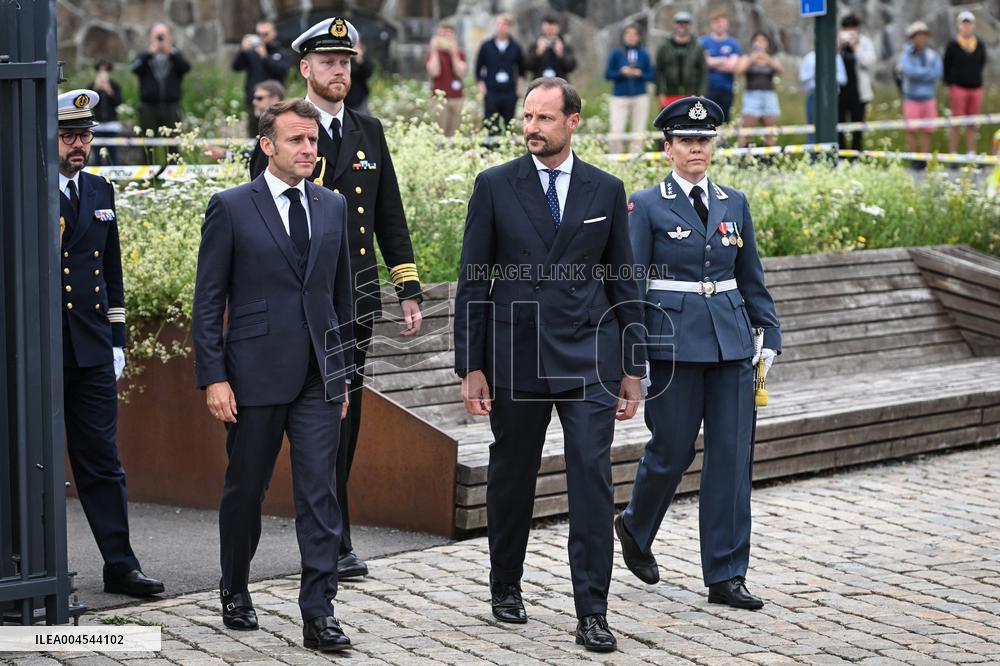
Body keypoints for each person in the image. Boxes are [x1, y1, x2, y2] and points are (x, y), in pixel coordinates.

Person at [453, 77, 646, 653]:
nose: (532, 127)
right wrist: (471, 365)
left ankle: (592, 610)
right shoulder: (494, 186)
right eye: (527, 117)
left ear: (573, 122)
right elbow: (473, 282)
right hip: (516, 356)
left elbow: (623, 279)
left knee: (591, 477)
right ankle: (505, 584)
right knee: (513, 474)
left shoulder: (605, 189)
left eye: (544, 118)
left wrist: (633, 367)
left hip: (591, 355)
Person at [249, 17, 423, 582]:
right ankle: (265, 541)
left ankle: (336, 535)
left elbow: (388, 214)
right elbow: (259, 219)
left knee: (343, 422)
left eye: (345, 61)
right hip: (299, 306)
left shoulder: (369, 132)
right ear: (305, 68)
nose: (338, 70)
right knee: (293, 423)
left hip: (355, 302)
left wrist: (407, 286)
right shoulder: (285, 131)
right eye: (327, 62)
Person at [192, 98, 355, 651]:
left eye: (312, 141)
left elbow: (340, 298)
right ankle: (234, 586)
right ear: (268, 145)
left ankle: (319, 613)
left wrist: (342, 376)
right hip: (252, 376)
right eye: (296, 141)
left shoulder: (332, 206)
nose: (309, 149)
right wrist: (214, 377)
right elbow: (208, 300)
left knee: (320, 494)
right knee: (246, 490)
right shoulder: (232, 207)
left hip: (317, 376)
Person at [616, 96, 781, 611]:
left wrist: (768, 333)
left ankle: (726, 574)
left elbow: (750, 274)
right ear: (667, 147)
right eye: (687, 141)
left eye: (705, 141)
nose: (697, 149)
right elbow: (632, 283)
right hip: (674, 345)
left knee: (732, 457)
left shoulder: (734, 202)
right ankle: (635, 525)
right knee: (672, 451)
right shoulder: (645, 205)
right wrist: (634, 354)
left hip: (731, 341)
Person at [56, 89, 165, 599]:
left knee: (102, 458)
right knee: (34, 458)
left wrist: (117, 339)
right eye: (68, 136)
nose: (79, 144)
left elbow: (111, 274)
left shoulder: (99, 191)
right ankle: (32, 564)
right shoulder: (26, 188)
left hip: (93, 347)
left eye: (85, 135)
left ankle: (120, 564)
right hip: (43, 349)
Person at [232, 19, 291, 137]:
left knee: (275, 135)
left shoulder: (280, 52)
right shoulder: (252, 52)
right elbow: (236, 67)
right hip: (255, 101)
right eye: (259, 34)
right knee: (255, 137)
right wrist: (243, 50)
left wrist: (265, 57)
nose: (262, 37)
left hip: (274, 102)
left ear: (274, 33)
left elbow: (282, 71)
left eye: (265, 34)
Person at [131, 23, 191, 134]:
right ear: (151, 37)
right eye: (157, 35)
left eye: (163, 35)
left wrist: (171, 52)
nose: (160, 38)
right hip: (149, 106)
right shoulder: (144, 55)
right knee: (148, 141)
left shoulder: (175, 54)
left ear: (169, 37)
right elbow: (135, 68)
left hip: (171, 106)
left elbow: (186, 67)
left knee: (173, 140)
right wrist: (149, 53)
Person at [605, 24, 653, 154]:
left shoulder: (644, 53)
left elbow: (651, 75)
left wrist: (640, 73)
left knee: (638, 131)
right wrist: (621, 72)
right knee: (616, 130)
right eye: (628, 34)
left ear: (639, 37)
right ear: (624, 36)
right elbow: (608, 74)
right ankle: (615, 160)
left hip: (640, 96)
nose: (631, 37)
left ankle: (635, 158)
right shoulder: (616, 53)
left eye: (634, 34)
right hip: (620, 96)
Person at [900, 21, 943, 166]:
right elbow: (908, 71)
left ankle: (924, 159)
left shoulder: (932, 55)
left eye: (923, 35)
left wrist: (919, 73)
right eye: (917, 36)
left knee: (927, 130)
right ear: (912, 37)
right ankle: (914, 159)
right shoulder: (906, 54)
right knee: (911, 130)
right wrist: (925, 73)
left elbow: (937, 73)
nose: (921, 39)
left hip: (928, 98)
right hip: (911, 98)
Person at [944, 11, 987, 154]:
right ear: (958, 25)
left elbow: (982, 63)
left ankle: (971, 153)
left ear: (973, 25)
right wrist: (951, 84)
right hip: (958, 87)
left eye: (969, 23)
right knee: (956, 122)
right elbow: (946, 65)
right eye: (964, 23)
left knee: (972, 123)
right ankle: (953, 154)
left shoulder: (979, 44)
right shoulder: (952, 44)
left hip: (976, 87)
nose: (966, 26)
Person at [475, 14, 525, 133]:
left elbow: (521, 70)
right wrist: (482, 87)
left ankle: (506, 147)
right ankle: (489, 150)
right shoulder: (486, 46)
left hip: (509, 91)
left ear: (510, 27)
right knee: (490, 123)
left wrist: (519, 89)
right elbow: (478, 68)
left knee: (508, 123)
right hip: (491, 91)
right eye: (499, 24)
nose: (501, 27)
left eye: (505, 24)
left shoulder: (516, 47)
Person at [736, 32, 783, 147]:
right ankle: (742, 155)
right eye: (757, 40)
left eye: (763, 40)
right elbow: (739, 71)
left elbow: (781, 70)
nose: (760, 43)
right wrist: (753, 58)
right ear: (753, 43)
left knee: (770, 130)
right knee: (747, 129)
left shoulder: (771, 57)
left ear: (767, 43)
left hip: (769, 95)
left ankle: (769, 158)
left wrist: (767, 59)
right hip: (752, 95)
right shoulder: (747, 57)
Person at [837, 15, 877, 151]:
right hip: (839, 93)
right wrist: (839, 45)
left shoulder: (864, 42)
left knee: (858, 127)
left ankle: (856, 156)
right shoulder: (837, 40)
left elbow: (869, 61)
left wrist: (856, 47)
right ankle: (841, 156)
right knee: (838, 126)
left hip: (859, 92)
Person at [655, 11, 708, 110]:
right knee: (669, 122)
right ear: (674, 24)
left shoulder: (697, 46)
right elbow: (658, 70)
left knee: (690, 123)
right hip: (669, 93)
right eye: (679, 22)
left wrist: (702, 94)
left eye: (685, 23)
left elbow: (703, 71)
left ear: (690, 25)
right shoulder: (664, 45)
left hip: (692, 94)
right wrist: (659, 92)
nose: (682, 25)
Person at [427, 21, 467, 137]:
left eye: (449, 34)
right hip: (439, 98)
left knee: (456, 134)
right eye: (443, 34)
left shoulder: (460, 53)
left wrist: (454, 53)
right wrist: (434, 50)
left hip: (457, 97)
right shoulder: (433, 53)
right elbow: (435, 72)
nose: (446, 37)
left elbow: (459, 73)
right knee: (439, 133)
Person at [700, 10, 741, 122]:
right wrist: (723, 60)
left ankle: (723, 140)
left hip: (726, 88)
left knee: (724, 118)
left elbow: (732, 66)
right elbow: (703, 63)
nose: (719, 25)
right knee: (706, 117)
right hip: (707, 88)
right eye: (716, 22)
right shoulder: (703, 42)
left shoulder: (733, 44)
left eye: (722, 22)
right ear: (711, 24)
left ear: (726, 24)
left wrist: (713, 62)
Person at [799, 49, 847, 143]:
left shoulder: (836, 57)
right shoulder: (809, 57)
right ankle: (813, 156)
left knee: (831, 126)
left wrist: (829, 72)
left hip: (831, 97)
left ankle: (830, 154)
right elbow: (802, 77)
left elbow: (843, 79)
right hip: (813, 95)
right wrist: (816, 71)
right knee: (812, 127)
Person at [524, 15, 576, 81]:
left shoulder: (564, 45)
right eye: (547, 27)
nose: (550, 30)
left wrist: (560, 54)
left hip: (560, 83)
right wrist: (538, 52)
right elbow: (527, 65)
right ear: (542, 27)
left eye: (552, 27)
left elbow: (571, 67)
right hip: (539, 83)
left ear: (558, 28)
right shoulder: (535, 44)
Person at [345, 38, 374, 114]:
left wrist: (359, 58)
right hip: (343, 99)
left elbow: (368, 73)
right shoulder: (343, 59)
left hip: (359, 99)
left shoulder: (361, 58)